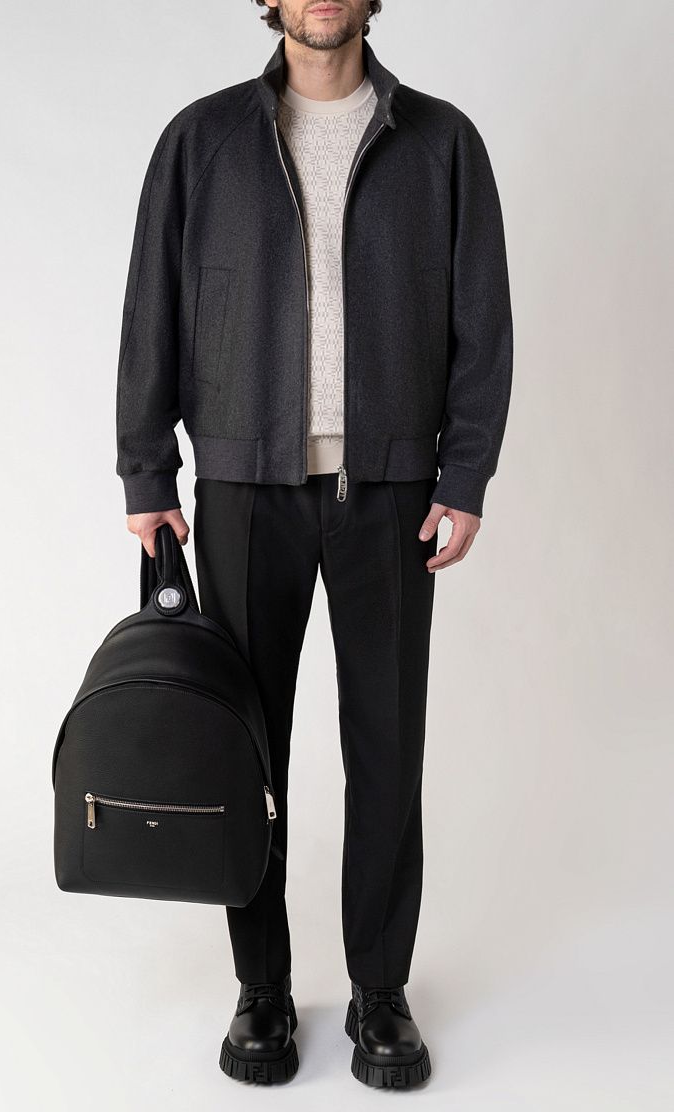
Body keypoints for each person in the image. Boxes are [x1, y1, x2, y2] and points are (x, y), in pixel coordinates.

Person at [114, 0, 513, 1089]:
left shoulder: (442, 143)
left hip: (392, 491)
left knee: (386, 750)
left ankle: (380, 989)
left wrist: (464, 474)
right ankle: (262, 989)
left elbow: (483, 321)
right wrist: (147, 472)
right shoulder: (202, 140)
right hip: (244, 487)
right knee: (249, 755)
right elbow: (152, 306)